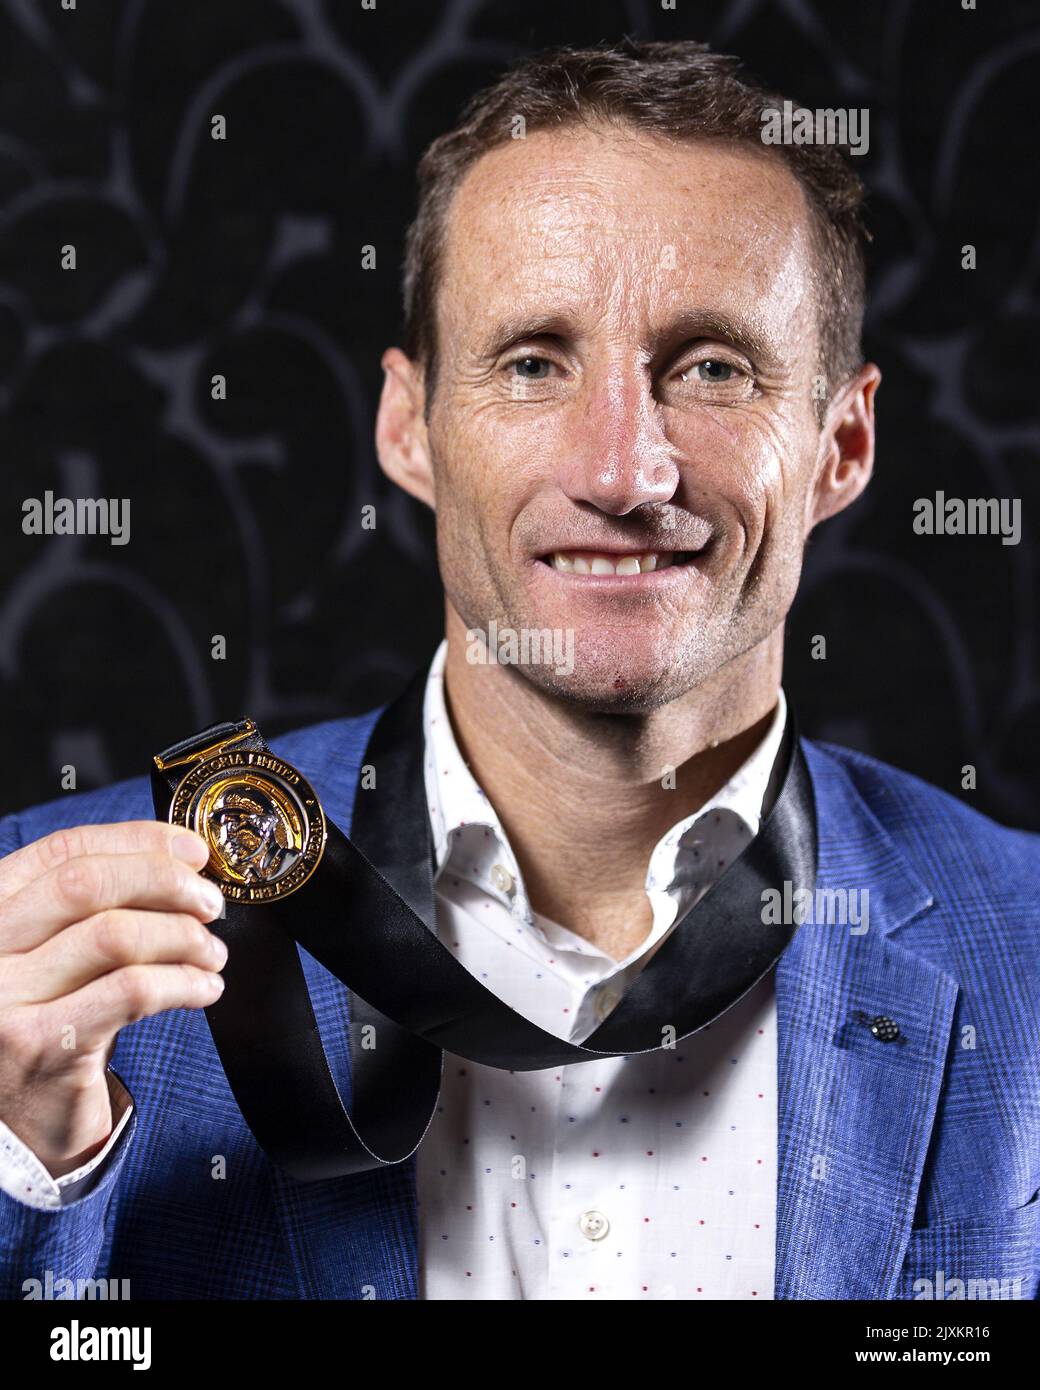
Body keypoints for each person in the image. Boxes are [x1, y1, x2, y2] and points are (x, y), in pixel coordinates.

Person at [0, 38, 1036, 1303]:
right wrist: (23, 1168)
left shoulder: (1025, 950)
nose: (620, 472)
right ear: (406, 427)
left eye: (710, 366)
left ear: (840, 443)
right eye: (533, 362)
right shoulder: (33, 943)